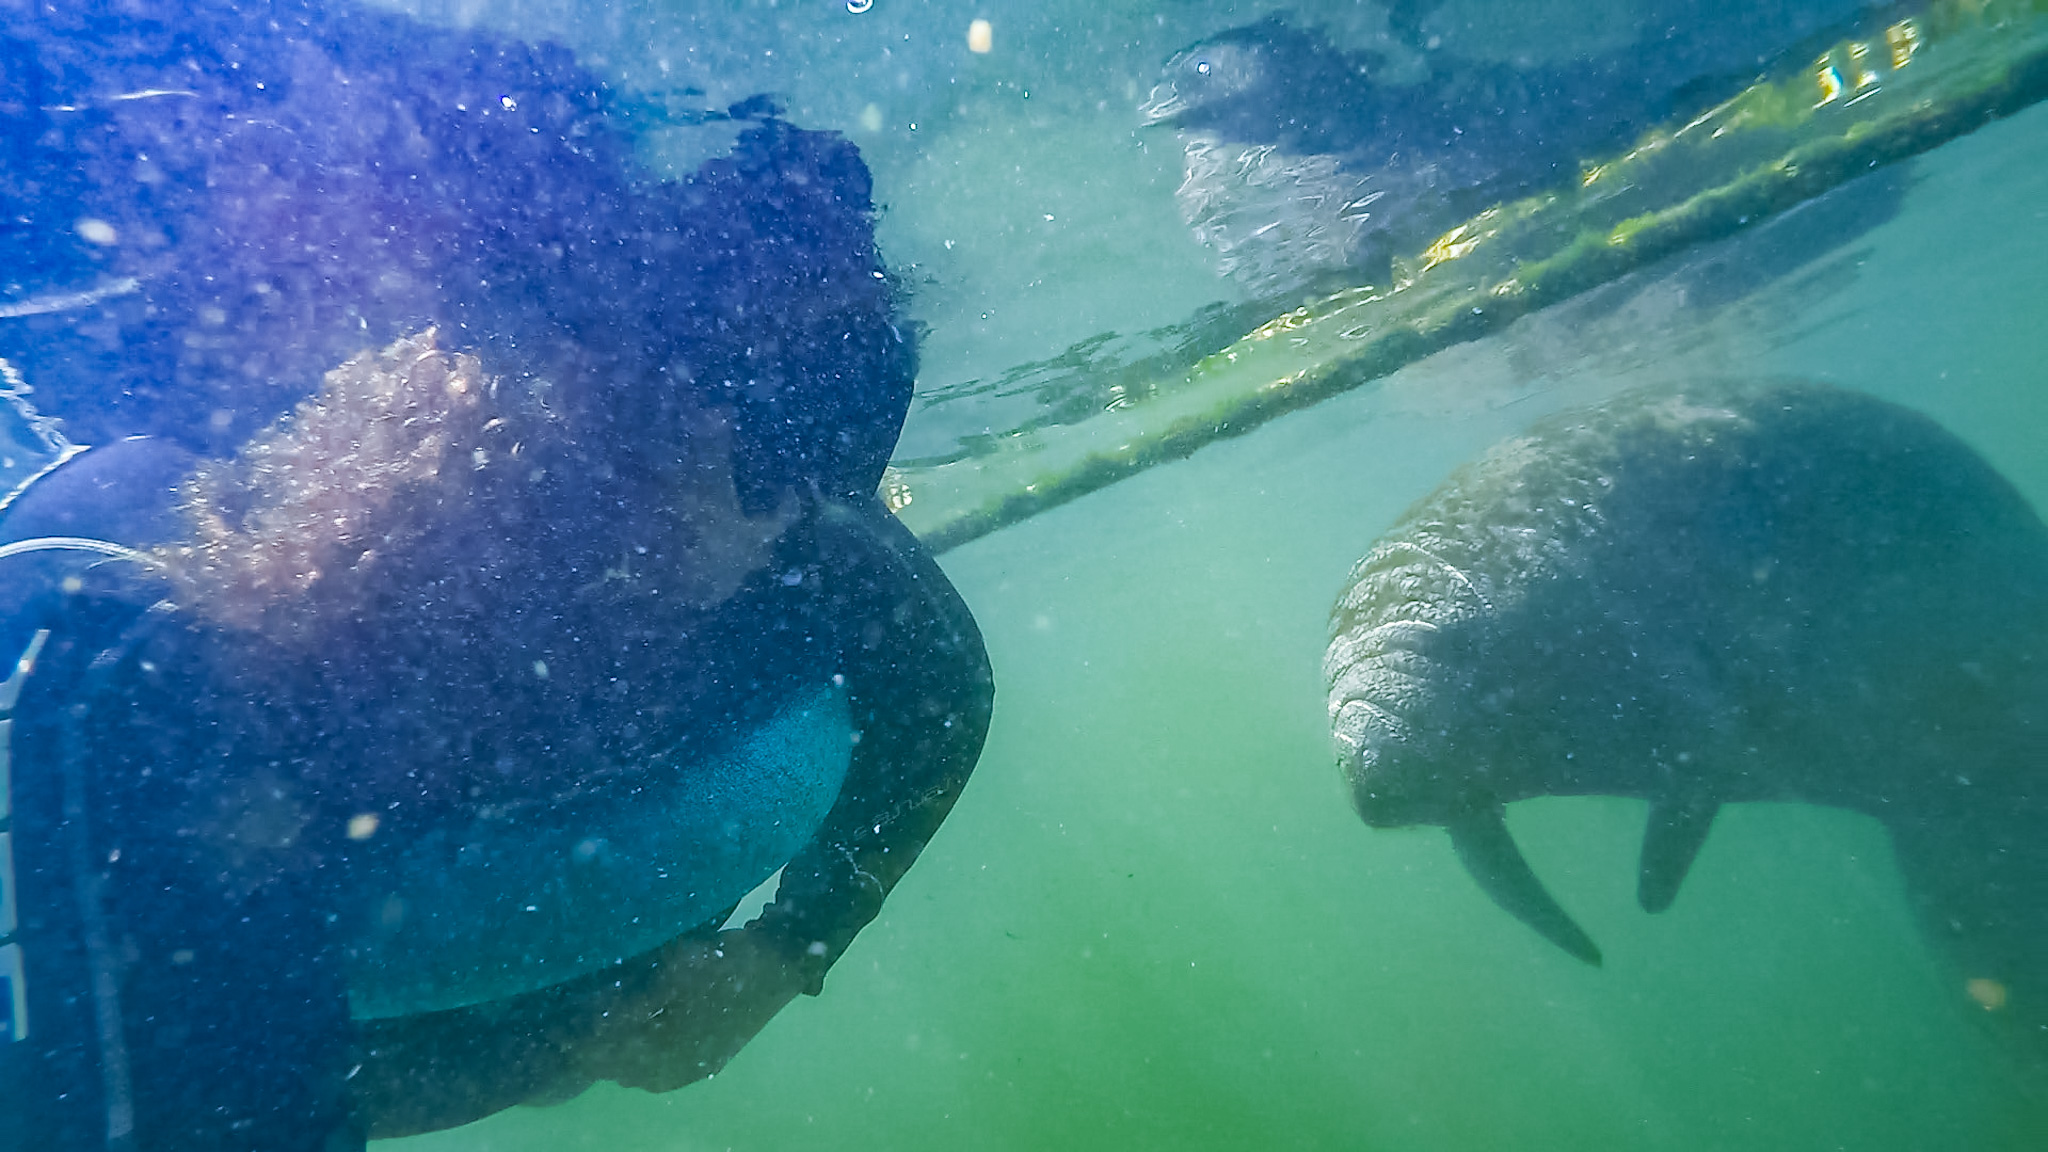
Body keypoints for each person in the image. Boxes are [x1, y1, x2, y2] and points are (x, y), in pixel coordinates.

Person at [0, 3, 992, 1148]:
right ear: (555, 379)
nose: (789, 490)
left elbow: (939, 691)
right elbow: (224, 1085)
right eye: (736, 410)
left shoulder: (802, 548)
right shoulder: (197, 664)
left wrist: (794, 948)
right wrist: (558, 1046)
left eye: (847, 410)